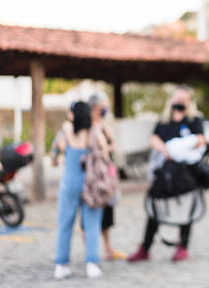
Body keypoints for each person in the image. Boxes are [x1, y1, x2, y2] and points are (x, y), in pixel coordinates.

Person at [128, 85, 206, 263]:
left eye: (183, 99)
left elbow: (201, 139)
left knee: (186, 209)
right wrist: (167, 151)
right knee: (155, 209)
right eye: (177, 99)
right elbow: (154, 138)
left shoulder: (194, 120)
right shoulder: (164, 121)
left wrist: (182, 147)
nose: (179, 102)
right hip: (165, 173)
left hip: (185, 174)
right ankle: (145, 248)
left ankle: (183, 246)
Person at [54, 101, 109, 280]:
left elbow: (54, 157)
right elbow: (106, 156)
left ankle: (61, 265)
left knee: (65, 224)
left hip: (69, 184)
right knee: (92, 224)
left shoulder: (65, 134)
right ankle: (92, 264)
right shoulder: (94, 133)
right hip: (90, 184)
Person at [85, 93, 127, 261]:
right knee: (89, 212)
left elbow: (112, 146)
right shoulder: (86, 128)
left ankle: (107, 248)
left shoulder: (103, 127)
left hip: (105, 176)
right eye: (102, 106)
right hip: (91, 177)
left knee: (107, 213)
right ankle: (91, 251)